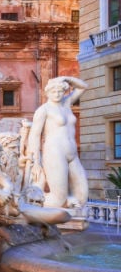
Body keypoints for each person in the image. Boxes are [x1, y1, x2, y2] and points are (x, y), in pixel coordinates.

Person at [27, 76, 89, 208]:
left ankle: (65, 216)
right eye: (53, 91)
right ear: (47, 93)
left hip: (72, 154)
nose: (57, 94)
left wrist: (66, 78)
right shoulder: (44, 110)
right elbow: (34, 136)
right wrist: (35, 162)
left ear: (64, 92)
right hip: (55, 153)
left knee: (81, 197)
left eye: (60, 91)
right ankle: (28, 202)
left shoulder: (67, 103)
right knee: (58, 200)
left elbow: (83, 86)